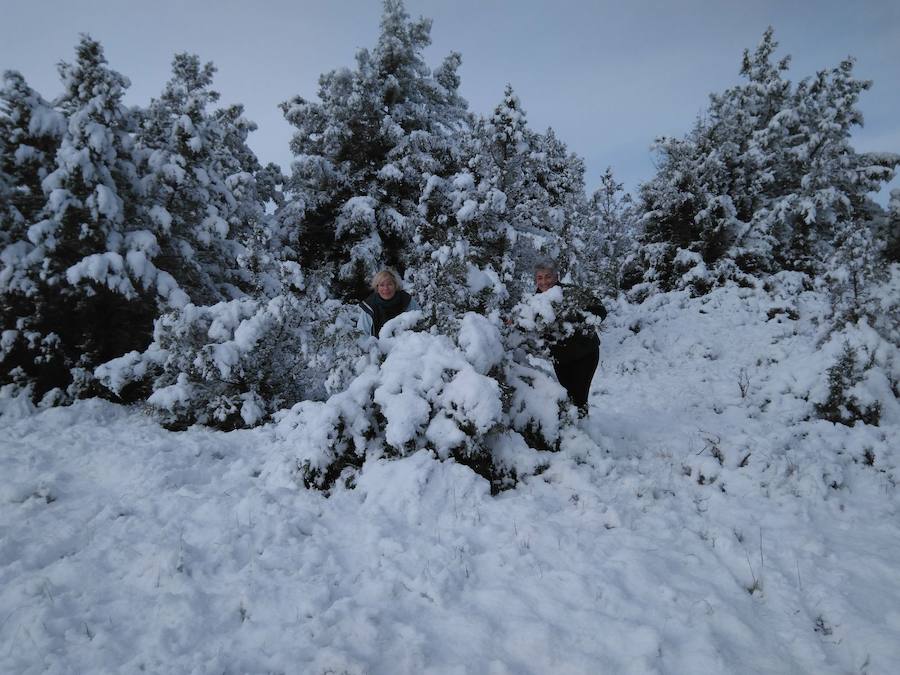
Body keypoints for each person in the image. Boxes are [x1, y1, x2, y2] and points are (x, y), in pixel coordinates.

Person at [534, 261, 606, 415]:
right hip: (560, 359)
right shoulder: (535, 302)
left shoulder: (572, 293)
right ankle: (572, 428)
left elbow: (599, 309)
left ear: (556, 276)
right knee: (566, 396)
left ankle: (582, 430)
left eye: (548, 276)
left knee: (579, 398)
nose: (544, 281)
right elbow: (527, 323)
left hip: (585, 354)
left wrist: (586, 321)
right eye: (540, 278)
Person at [358, 268, 420, 337]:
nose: (386, 288)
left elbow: (420, 323)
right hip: (378, 346)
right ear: (377, 288)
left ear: (395, 285)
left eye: (389, 284)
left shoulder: (406, 300)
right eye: (382, 285)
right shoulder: (370, 306)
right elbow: (362, 335)